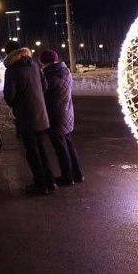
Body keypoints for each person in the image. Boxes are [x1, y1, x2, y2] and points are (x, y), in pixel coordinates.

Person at [3, 40, 55, 196]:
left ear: (9, 54)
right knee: (41, 148)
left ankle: (40, 184)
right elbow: (45, 87)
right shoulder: (35, 65)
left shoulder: (12, 69)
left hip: (26, 116)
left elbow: (9, 96)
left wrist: (17, 103)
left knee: (32, 151)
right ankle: (50, 181)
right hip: (41, 114)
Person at [41, 50, 83, 186]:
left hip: (55, 114)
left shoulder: (49, 75)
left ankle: (67, 176)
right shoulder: (65, 72)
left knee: (61, 147)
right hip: (67, 112)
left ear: (44, 61)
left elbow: (43, 94)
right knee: (68, 144)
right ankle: (77, 174)